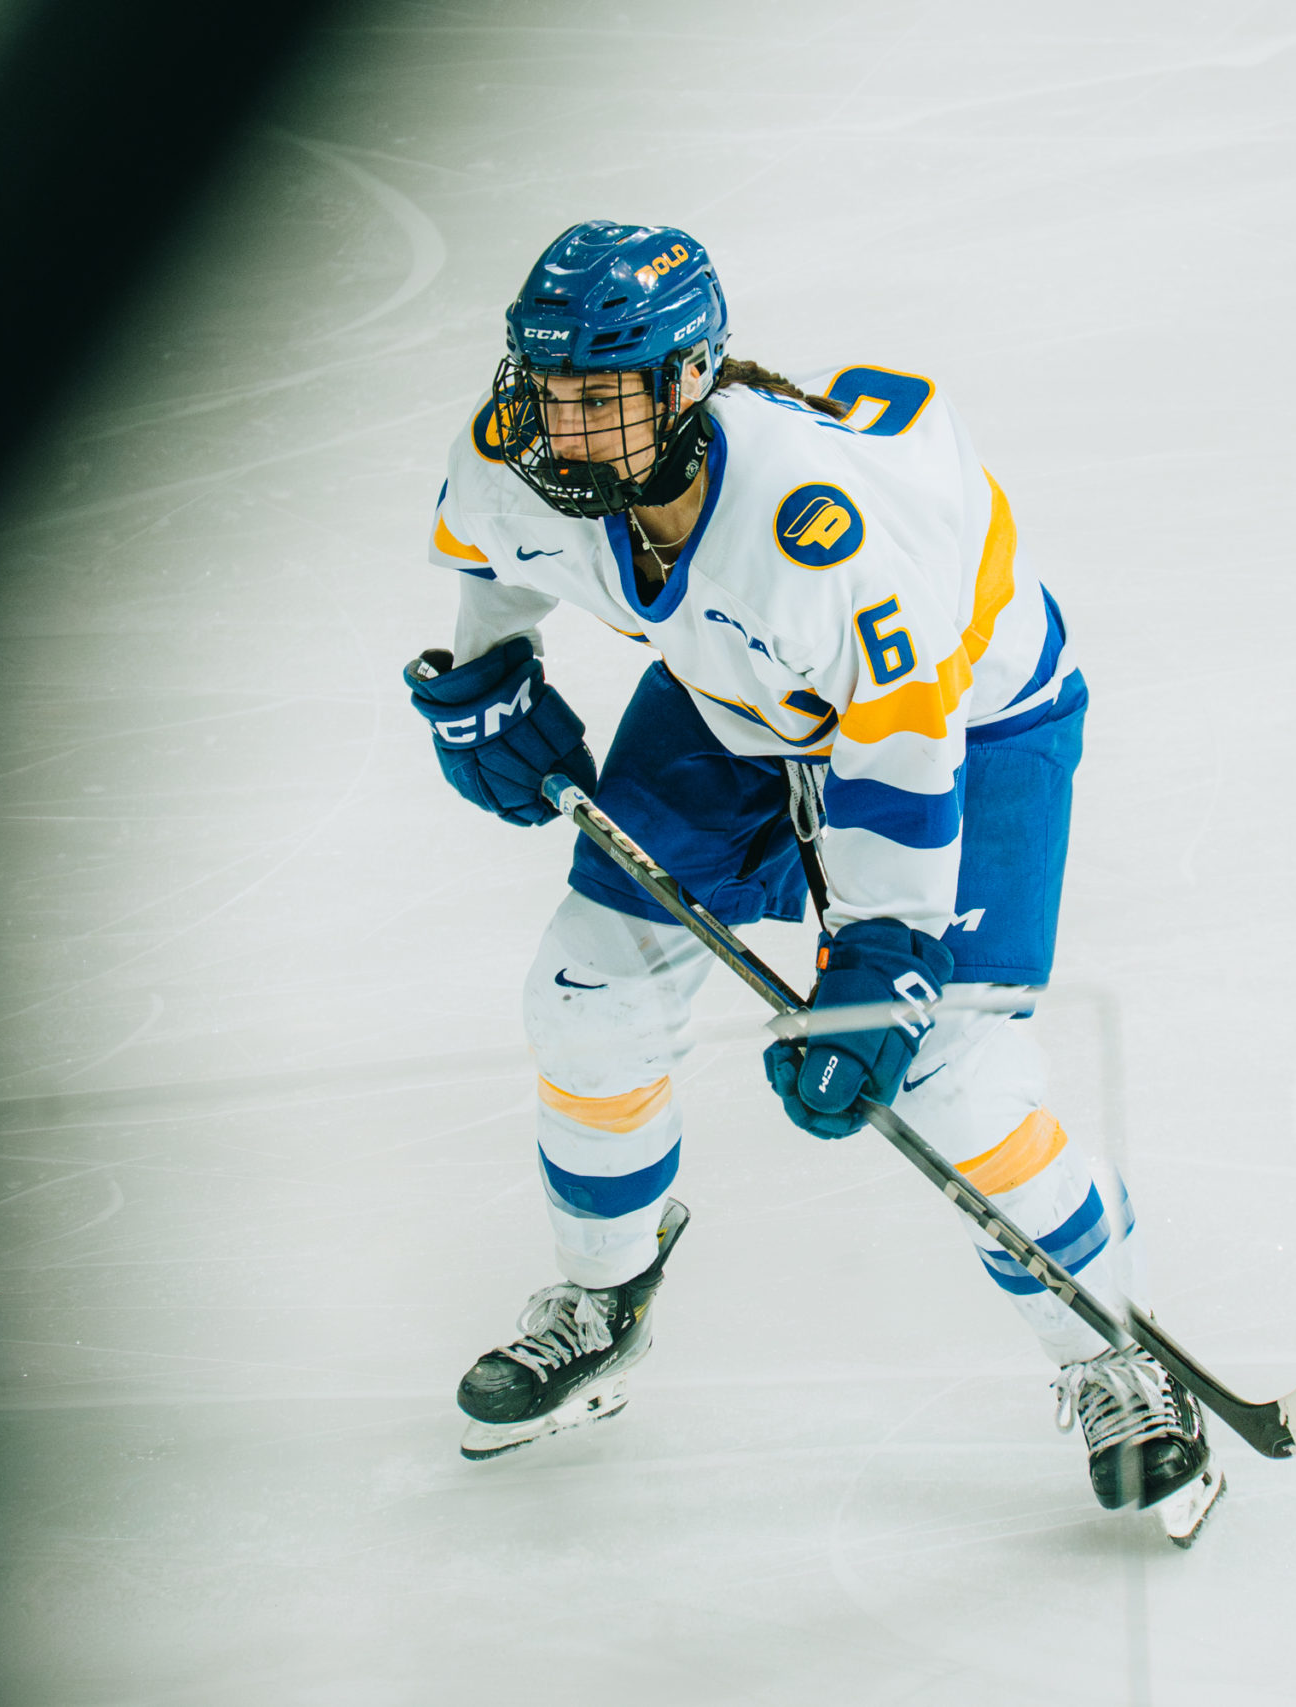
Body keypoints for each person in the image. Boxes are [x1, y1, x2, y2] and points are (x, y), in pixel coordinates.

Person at [403, 220, 1213, 1528]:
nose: (561, 429)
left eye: (599, 401)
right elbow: (483, 553)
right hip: (736, 697)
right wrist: (484, 675)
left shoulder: (817, 532)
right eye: (547, 392)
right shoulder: (518, 459)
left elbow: (902, 742)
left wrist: (886, 962)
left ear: (686, 385)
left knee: (951, 1076)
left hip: (965, 724)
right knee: (584, 994)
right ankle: (604, 1295)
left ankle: (1117, 1351)